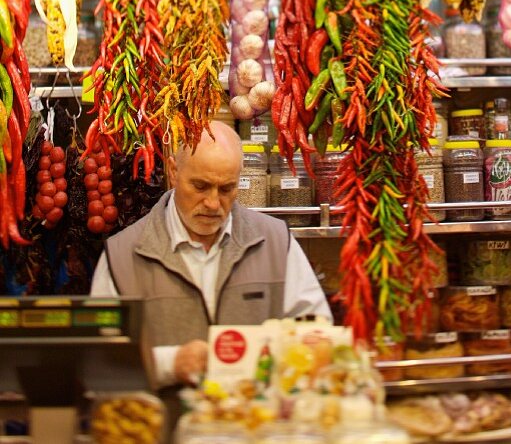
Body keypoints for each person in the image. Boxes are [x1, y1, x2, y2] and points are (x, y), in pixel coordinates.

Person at [91, 121, 331, 388]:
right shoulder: (123, 256)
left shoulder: (275, 242)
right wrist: (170, 364)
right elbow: (101, 361)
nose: (213, 203)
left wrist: (279, 355)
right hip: (168, 426)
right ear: (173, 172)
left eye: (227, 189)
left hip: (257, 422)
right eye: (201, 186)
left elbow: (316, 330)